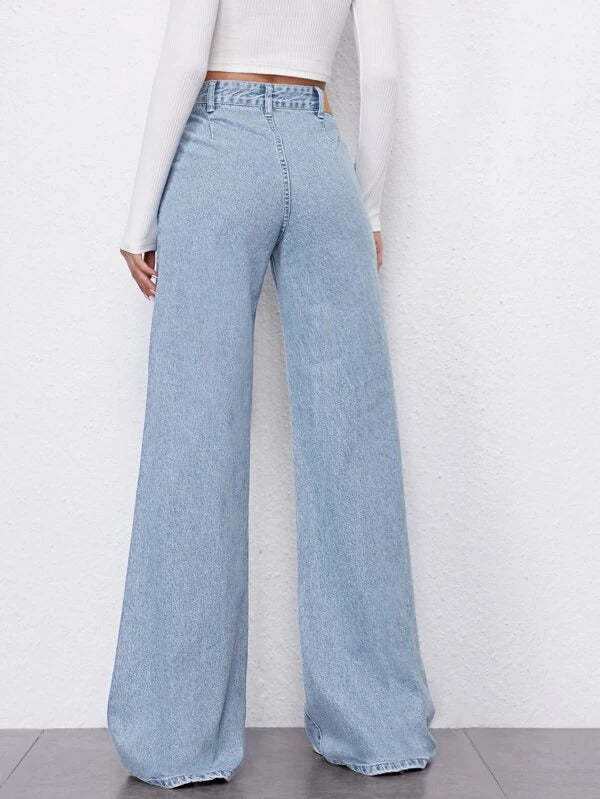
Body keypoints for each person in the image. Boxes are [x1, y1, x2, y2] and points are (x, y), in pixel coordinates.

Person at [108, 0, 436, 789]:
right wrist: (367, 206)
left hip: (218, 146)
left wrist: (138, 218)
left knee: (194, 441)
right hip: (320, 152)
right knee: (352, 444)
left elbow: (186, 59)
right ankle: (379, 725)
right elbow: (382, 74)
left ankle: (175, 739)